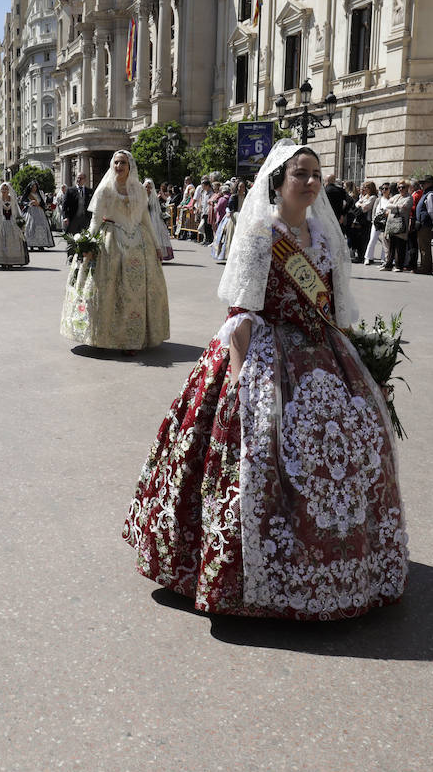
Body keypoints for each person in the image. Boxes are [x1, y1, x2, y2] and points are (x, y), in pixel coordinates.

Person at [124, 140, 407, 620]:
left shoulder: (323, 236)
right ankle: (253, 569)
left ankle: (339, 564)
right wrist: (239, 383)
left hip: (323, 352)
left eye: (317, 174)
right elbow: (243, 313)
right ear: (278, 180)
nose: (312, 182)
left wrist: (366, 366)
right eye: (301, 174)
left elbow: (336, 310)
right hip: (266, 350)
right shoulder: (260, 233)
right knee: (261, 459)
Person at [60, 149, 170, 352]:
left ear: (130, 167)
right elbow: (95, 220)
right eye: (116, 163)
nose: (119, 167)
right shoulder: (105, 190)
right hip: (109, 243)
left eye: (123, 163)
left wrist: (156, 246)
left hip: (139, 244)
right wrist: (87, 245)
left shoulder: (138, 189)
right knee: (107, 291)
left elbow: (145, 219)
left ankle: (132, 340)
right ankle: (104, 336)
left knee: (135, 293)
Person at [144, 178, 175, 262]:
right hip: (144, 217)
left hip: (153, 218)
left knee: (156, 235)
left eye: (149, 187)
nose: (147, 189)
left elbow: (156, 209)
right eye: (146, 187)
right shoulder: (141, 195)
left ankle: (157, 255)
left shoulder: (154, 197)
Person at [23, 185, 56, 250]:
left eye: (35, 187)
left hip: (39, 212)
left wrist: (39, 204)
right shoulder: (28, 194)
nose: (34, 188)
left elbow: (42, 203)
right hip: (31, 212)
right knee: (31, 227)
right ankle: (31, 244)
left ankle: (41, 244)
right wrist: (29, 203)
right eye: (32, 187)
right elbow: (22, 202)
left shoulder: (39, 194)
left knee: (41, 226)